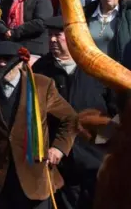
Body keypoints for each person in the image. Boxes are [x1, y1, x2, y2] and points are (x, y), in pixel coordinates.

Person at [0, 40, 78, 209]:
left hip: (34, 180)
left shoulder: (42, 86)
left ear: (20, 63)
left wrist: (59, 148)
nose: (1, 64)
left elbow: (70, 118)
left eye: (7, 59)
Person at [33, 17, 116, 209]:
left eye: (58, 35)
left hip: (95, 161)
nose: (53, 40)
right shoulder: (41, 70)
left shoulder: (99, 67)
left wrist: (102, 144)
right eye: (50, 35)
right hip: (59, 163)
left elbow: (118, 110)